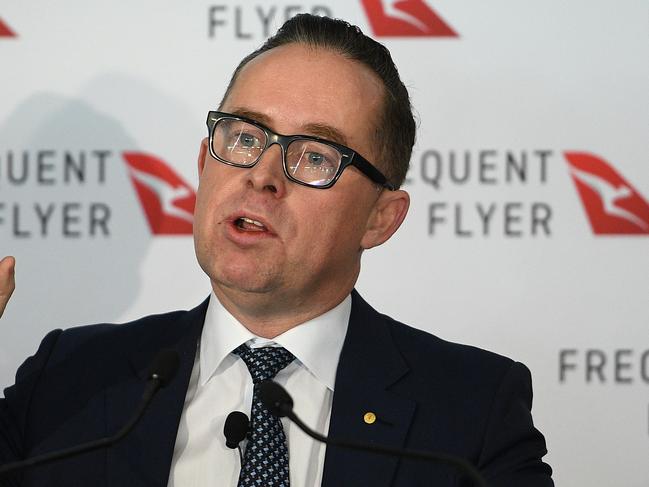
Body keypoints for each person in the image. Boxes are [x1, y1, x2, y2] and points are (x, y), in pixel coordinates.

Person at [0, 14, 553, 487]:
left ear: (381, 219)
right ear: (203, 165)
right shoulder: (67, 380)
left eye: (314, 156)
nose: (263, 176)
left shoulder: (471, 415)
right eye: (245, 137)